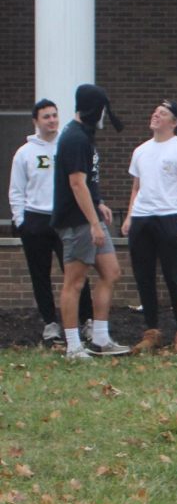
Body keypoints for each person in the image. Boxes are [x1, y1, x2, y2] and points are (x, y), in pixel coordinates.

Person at [50, 83, 129, 359]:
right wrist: (94, 223)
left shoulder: (85, 136)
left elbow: (87, 181)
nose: (105, 116)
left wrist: (99, 203)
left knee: (111, 272)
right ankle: (73, 346)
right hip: (77, 221)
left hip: (90, 216)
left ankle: (100, 339)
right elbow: (75, 183)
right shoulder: (74, 138)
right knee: (75, 281)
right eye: (102, 110)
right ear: (94, 109)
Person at [8, 98, 93, 344]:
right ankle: (50, 323)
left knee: (76, 273)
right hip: (35, 220)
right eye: (46, 116)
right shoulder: (24, 153)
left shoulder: (66, 145)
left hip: (65, 219)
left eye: (55, 115)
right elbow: (16, 190)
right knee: (40, 274)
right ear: (36, 121)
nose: (52, 120)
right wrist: (21, 221)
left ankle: (85, 321)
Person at [122, 100, 177, 354]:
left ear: (174, 122)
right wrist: (130, 216)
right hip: (142, 218)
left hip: (168, 218)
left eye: (162, 113)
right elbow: (136, 188)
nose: (155, 115)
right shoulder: (141, 151)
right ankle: (151, 331)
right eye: (155, 111)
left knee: (173, 276)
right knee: (144, 276)